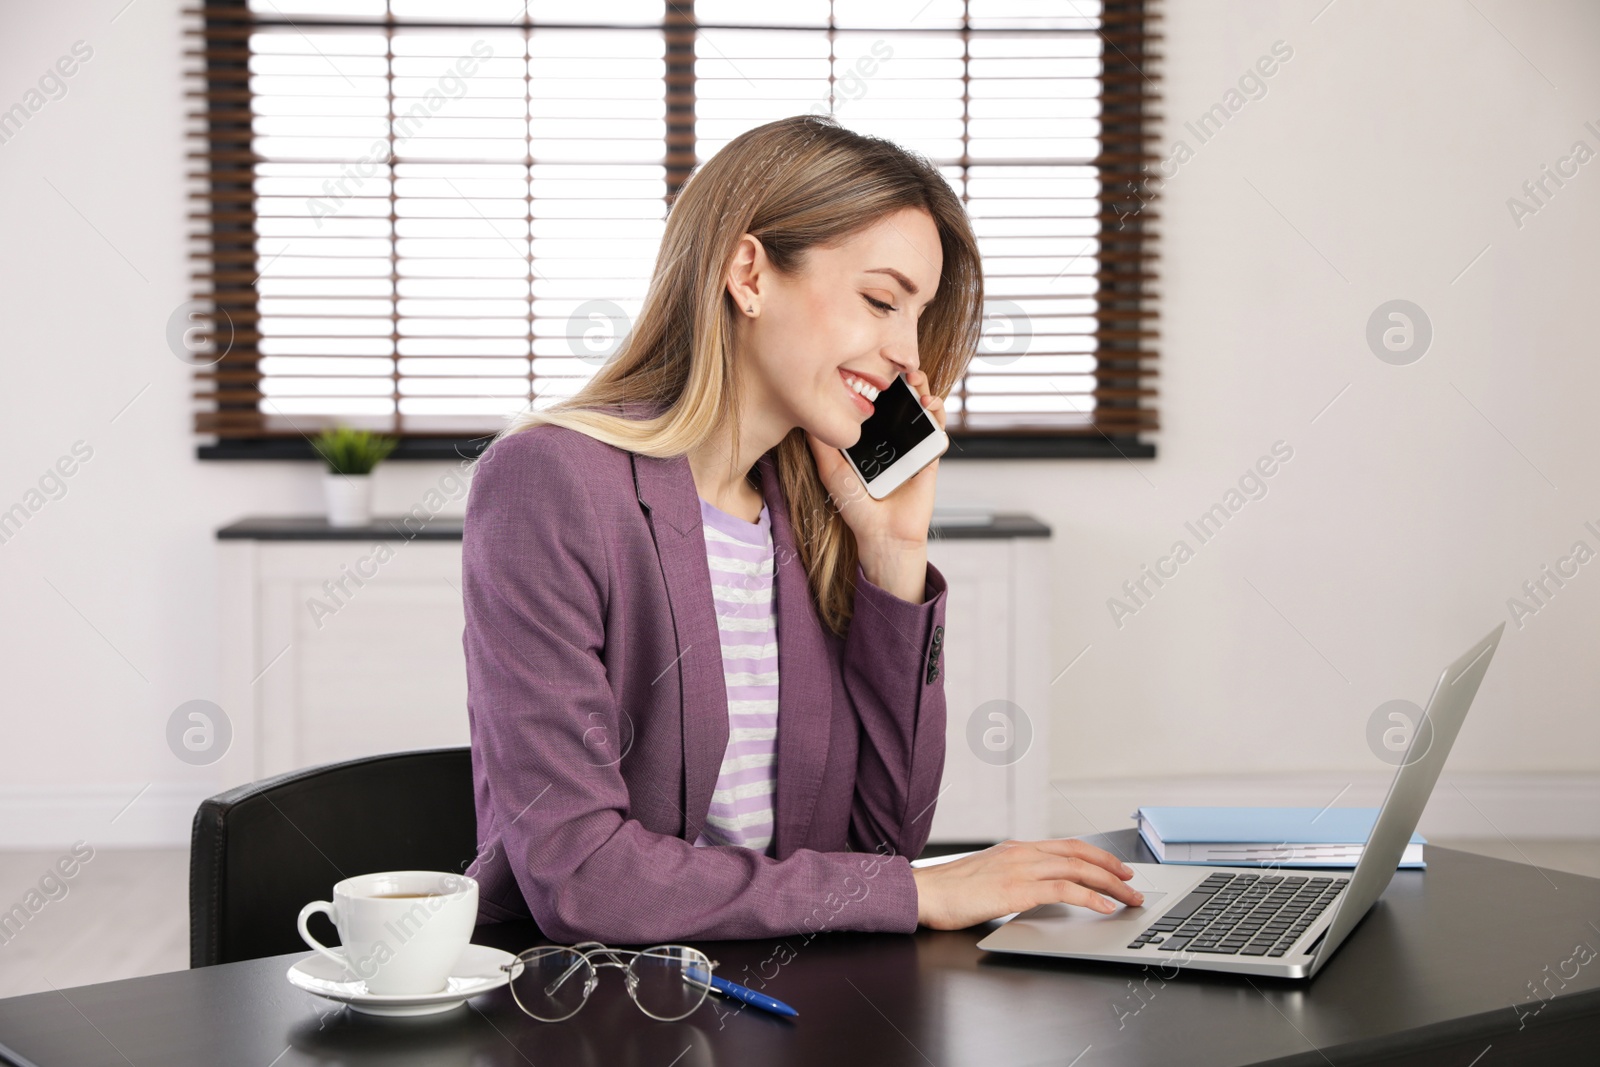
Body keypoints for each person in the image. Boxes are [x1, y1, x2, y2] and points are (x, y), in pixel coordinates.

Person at [462, 114, 1143, 944]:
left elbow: (883, 845)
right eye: (881, 300)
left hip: (791, 997)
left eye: (917, 317)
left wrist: (893, 554)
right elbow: (585, 878)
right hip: (598, 1011)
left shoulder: (808, 509)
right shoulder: (553, 479)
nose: (905, 350)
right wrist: (920, 892)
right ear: (749, 272)